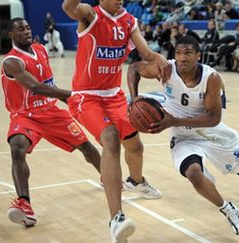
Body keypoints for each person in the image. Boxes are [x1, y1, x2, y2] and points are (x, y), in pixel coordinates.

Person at [127, 36, 239, 236]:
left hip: (213, 134)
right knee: (194, 173)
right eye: (178, 53)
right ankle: (228, 209)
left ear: (198, 55)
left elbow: (213, 118)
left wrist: (174, 121)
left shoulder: (211, 78)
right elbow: (134, 68)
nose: (182, 58)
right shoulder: (166, 70)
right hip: (184, 137)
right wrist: (134, 98)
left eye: (188, 53)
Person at [61, 0, 168, 241]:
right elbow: (69, 7)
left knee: (135, 144)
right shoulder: (90, 15)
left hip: (114, 95)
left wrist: (158, 59)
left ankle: (136, 181)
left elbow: (147, 53)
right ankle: (116, 218)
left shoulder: (129, 20)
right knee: (110, 138)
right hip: (86, 97)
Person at [2, 18, 101, 227]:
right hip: (26, 114)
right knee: (17, 147)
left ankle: (110, 179)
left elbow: (49, 83)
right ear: (11, 34)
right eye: (20, 29)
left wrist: (67, 99)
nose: (26, 31)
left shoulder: (40, 49)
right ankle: (25, 205)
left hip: (51, 111)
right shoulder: (12, 62)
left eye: (28, 27)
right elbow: (36, 87)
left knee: (86, 147)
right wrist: (70, 94)